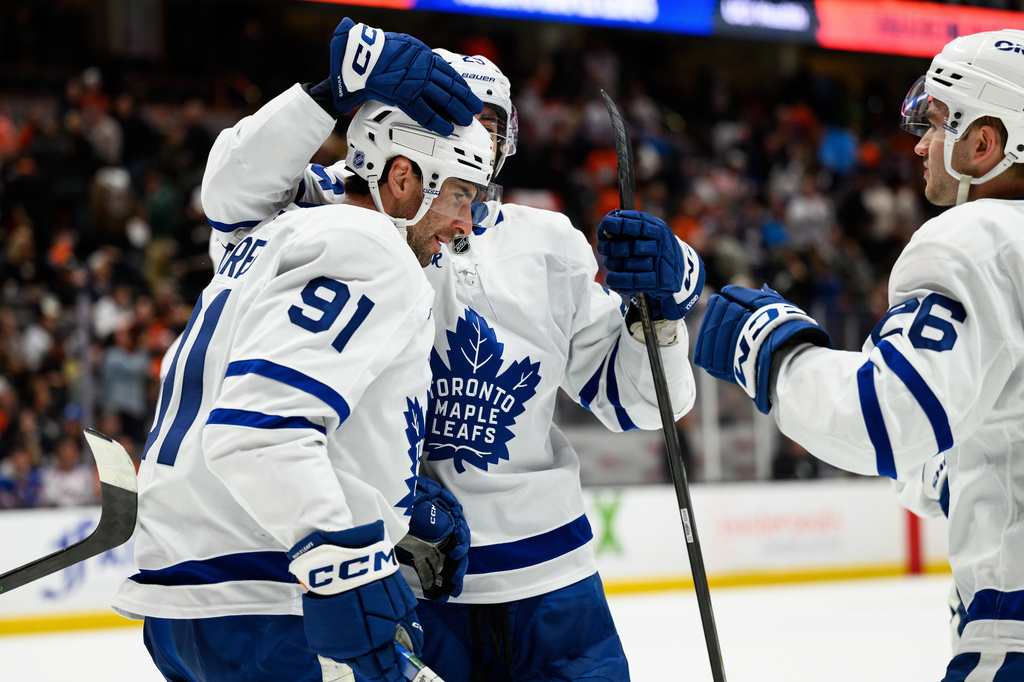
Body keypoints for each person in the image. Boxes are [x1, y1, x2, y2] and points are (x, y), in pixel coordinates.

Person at [199, 30, 705, 682]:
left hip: (553, 583)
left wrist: (659, 314)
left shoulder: (548, 242)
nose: (471, 133)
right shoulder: (347, 211)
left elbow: (639, 402)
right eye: (448, 112)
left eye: (486, 121)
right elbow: (229, 197)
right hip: (410, 583)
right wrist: (329, 95)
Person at [109, 49, 501, 682]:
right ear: (402, 178)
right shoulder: (369, 245)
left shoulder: (270, 233)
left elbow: (233, 185)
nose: (464, 225)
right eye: (458, 195)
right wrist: (353, 572)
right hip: (270, 603)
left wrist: (384, 496)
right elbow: (258, 431)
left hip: (191, 600)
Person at [691, 29, 1024, 681]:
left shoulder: (977, 237)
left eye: (935, 124)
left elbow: (886, 421)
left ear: (985, 143)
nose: (922, 145)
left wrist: (769, 347)